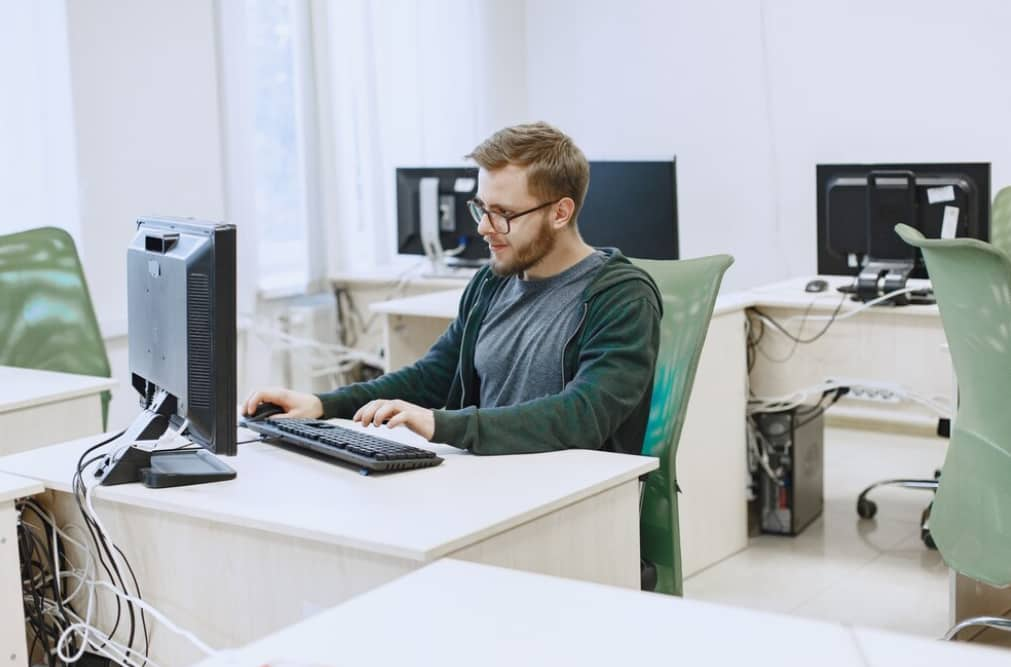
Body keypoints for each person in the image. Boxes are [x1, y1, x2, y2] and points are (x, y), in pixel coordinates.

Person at [244, 121, 662, 456]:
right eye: (482, 208)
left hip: (570, 500)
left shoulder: (620, 296)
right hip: (486, 481)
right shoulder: (490, 284)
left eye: (502, 214)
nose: (483, 227)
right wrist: (322, 405)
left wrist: (444, 425)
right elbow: (433, 377)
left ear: (560, 212)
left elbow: (583, 416)